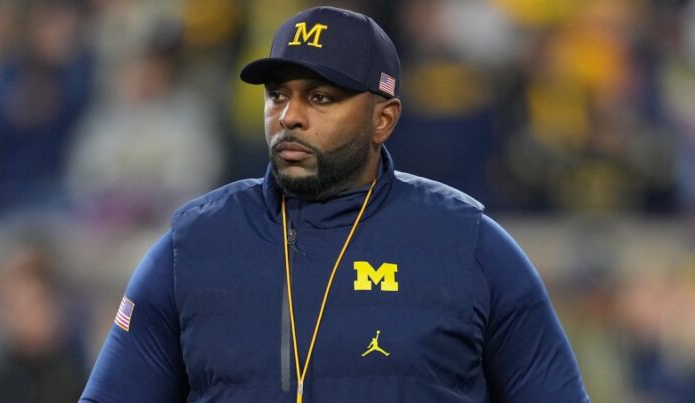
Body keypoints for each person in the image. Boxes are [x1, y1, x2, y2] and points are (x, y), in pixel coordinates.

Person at [80, 6, 590, 403]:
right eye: (278, 95)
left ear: (383, 119)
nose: (290, 116)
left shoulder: (469, 244)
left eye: (320, 97)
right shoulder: (192, 246)